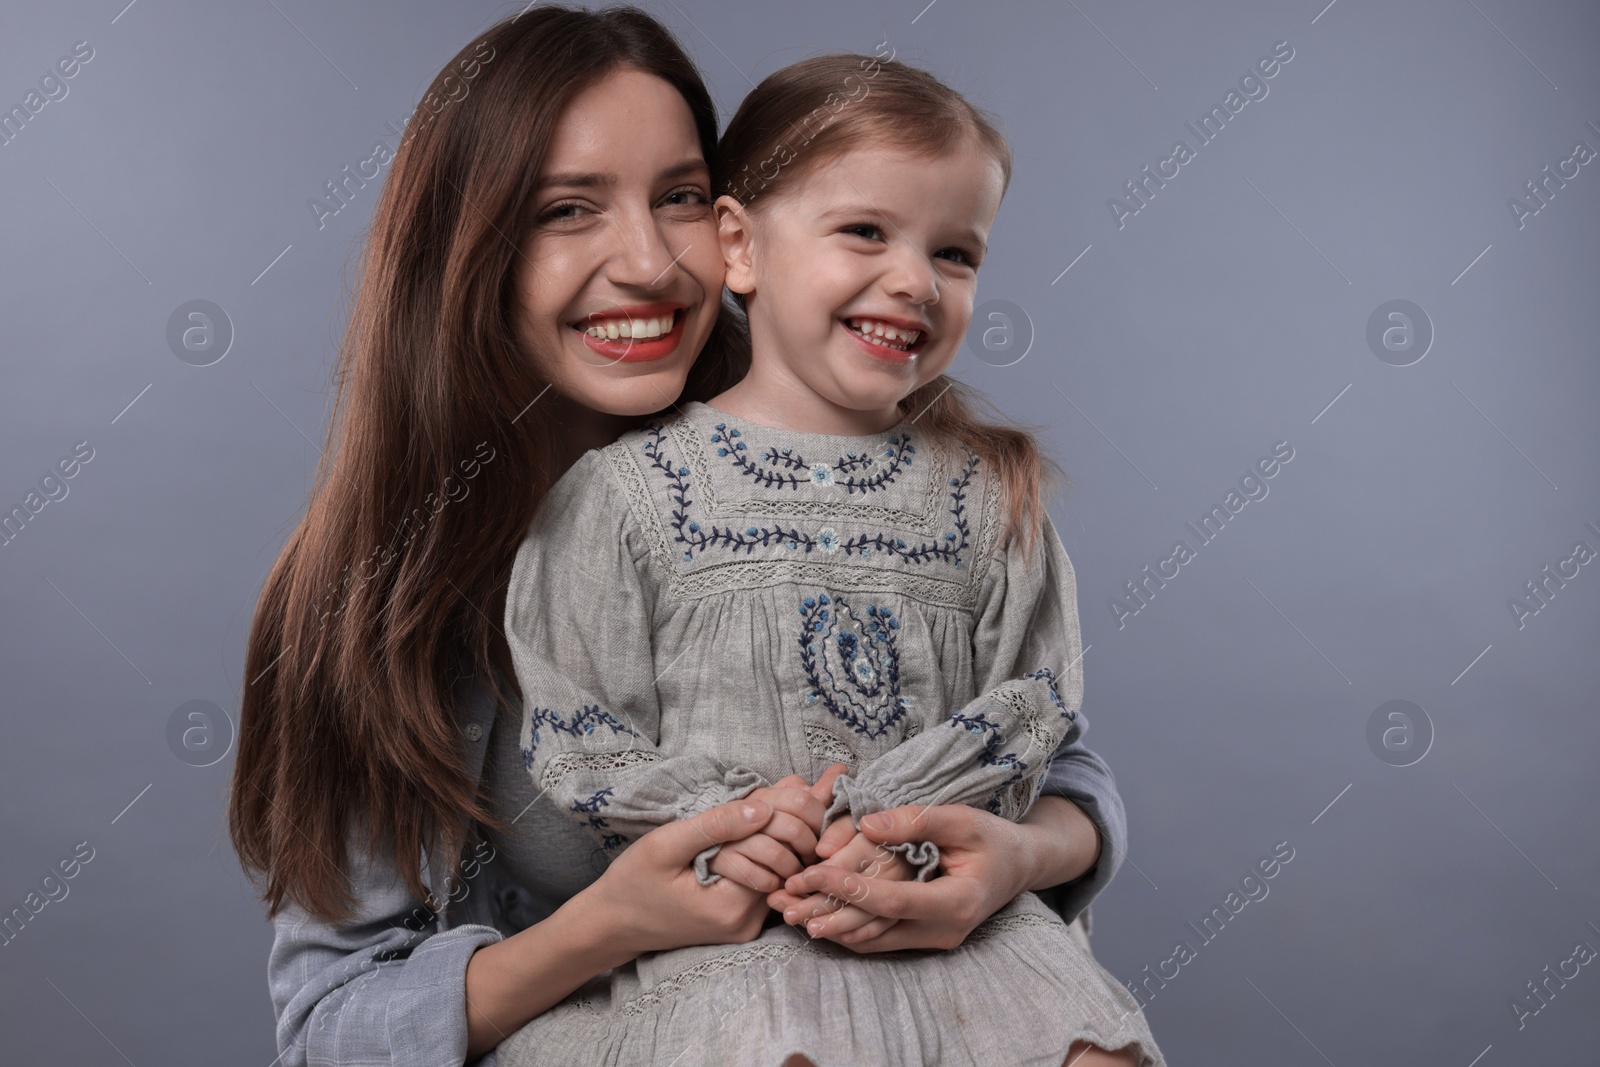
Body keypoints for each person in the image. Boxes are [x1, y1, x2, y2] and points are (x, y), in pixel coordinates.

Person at [227, 8, 1135, 1066]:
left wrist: (1016, 855)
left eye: (681, 199)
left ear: (738, 228)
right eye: (568, 209)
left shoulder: (857, 446)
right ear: (468, 251)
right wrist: (611, 920)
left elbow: (1054, 753)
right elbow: (331, 1025)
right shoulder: (380, 594)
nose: (651, 262)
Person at [492, 50, 1165, 1067]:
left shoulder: (991, 496)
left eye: (956, 253)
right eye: (865, 231)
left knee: (1090, 1047)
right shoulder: (624, 499)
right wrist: (745, 822)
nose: (913, 281)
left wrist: (895, 818)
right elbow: (583, 730)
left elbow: (1030, 710)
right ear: (739, 246)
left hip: (945, 912)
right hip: (728, 926)